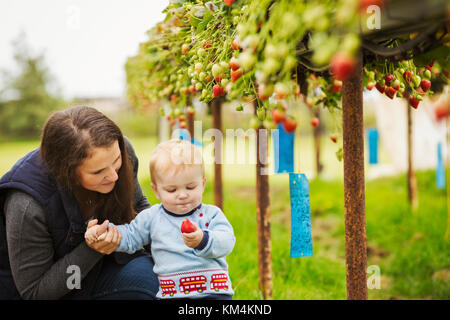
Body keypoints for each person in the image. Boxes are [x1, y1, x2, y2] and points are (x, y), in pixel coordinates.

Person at [0, 105, 159, 299]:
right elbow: (36, 292)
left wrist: (178, 251)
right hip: (64, 287)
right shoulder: (27, 205)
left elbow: (138, 207)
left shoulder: (121, 153)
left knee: (165, 282)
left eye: (116, 160)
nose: (113, 175)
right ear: (66, 173)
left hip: (110, 265)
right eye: (98, 172)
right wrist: (91, 250)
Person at [86, 139, 235, 299]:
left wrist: (203, 239)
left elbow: (226, 241)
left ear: (203, 184)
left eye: (191, 187)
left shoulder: (211, 214)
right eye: (172, 190)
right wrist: (106, 232)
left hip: (212, 292)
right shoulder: (152, 217)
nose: (183, 195)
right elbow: (130, 235)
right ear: (156, 190)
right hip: (171, 294)